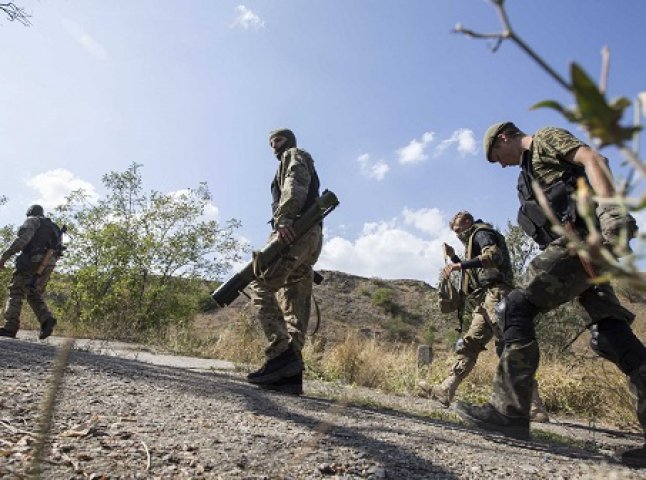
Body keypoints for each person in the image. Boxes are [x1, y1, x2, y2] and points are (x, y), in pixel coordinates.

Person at [456, 121, 646, 467]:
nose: (498, 164)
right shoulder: (525, 177)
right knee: (611, 336)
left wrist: (612, 213)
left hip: (584, 242)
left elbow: (594, 159)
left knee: (514, 307)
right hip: (584, 256)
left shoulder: (544, 140)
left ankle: (508, 411)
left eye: (495, 155)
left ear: (505, 138)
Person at [419, 211, 548, 422]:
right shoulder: (474, 238)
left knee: (509, 346)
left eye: (459, 230)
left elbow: (493, 257)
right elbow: (476, 271)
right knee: (470, 344)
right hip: (485, 300)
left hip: (497, 296)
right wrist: (454, 258)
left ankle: (534, 406)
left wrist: (458, 265)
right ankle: (446, 389)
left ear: (468, 222)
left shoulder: (481, 234)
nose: (458, 235)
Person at [245, 128, 323, 395]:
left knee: (261, 284)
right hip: (310, 236)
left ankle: (280, 356)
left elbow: (295, 183)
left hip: (296, 231)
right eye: (270, 143)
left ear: (288, 140)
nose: (273, 146)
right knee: (294, 301)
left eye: (277, 140)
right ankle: (290, 376)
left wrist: (284, 220)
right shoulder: (292, 157)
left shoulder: (294, 154)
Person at [0, 204, 62, 340]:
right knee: (33, 291)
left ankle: (10, 327)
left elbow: (23, 240)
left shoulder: (32, 220)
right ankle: (46, 319)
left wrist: (5, 256)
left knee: (16, 291)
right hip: (49, 263)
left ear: (29, 213)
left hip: (32, 261)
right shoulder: (54, 227)